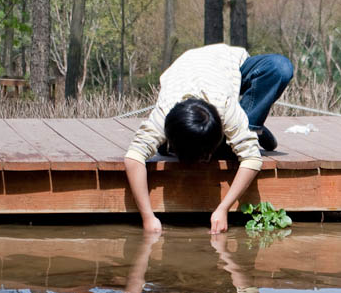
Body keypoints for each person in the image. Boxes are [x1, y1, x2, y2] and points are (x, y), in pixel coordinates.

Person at [124, 43, 293, 234]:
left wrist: (223, 208)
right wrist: (147, 217)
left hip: (228, 65)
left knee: (280, 67)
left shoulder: (225, 106)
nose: (205, 162)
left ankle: (250, 129)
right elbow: (133, 157)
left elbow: (253, 159)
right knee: (228, 143)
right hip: (187, 74)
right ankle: (249, 132)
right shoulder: (165, 113)